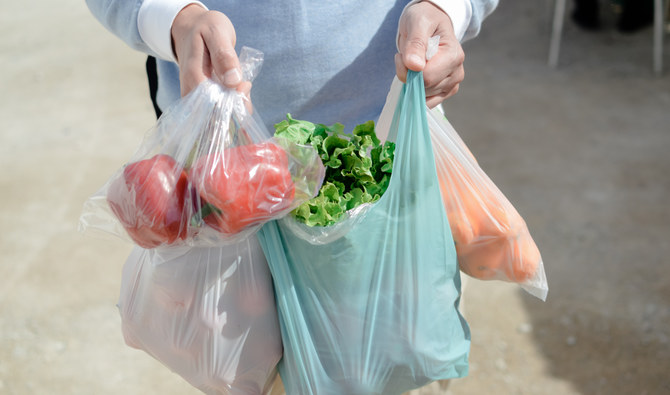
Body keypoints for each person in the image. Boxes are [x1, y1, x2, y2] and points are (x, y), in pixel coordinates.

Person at [85, 1, 498, 393]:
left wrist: (446, 9)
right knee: (239, 366)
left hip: (385, 168)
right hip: (219, 192)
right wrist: (176, 18)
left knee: (387, 361)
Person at [86, 0, 498, 130]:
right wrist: (177, 19)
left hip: (396, 143)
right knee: (224, 329)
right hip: (215, 168)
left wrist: (447, 8)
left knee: (400, 326)